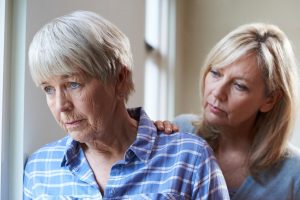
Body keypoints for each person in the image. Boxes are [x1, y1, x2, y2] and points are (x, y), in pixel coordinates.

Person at [23, 10, 230, 199]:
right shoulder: (39, 169)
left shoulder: (190, 158)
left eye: (74, 84)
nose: (61, 105)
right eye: (48, 89)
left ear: (119, 80)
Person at [156, 23, 300, 200]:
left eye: (239, 85)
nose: (217, 92)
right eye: (216, 73)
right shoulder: (179, 131)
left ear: (270, 100)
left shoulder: (294, 174)